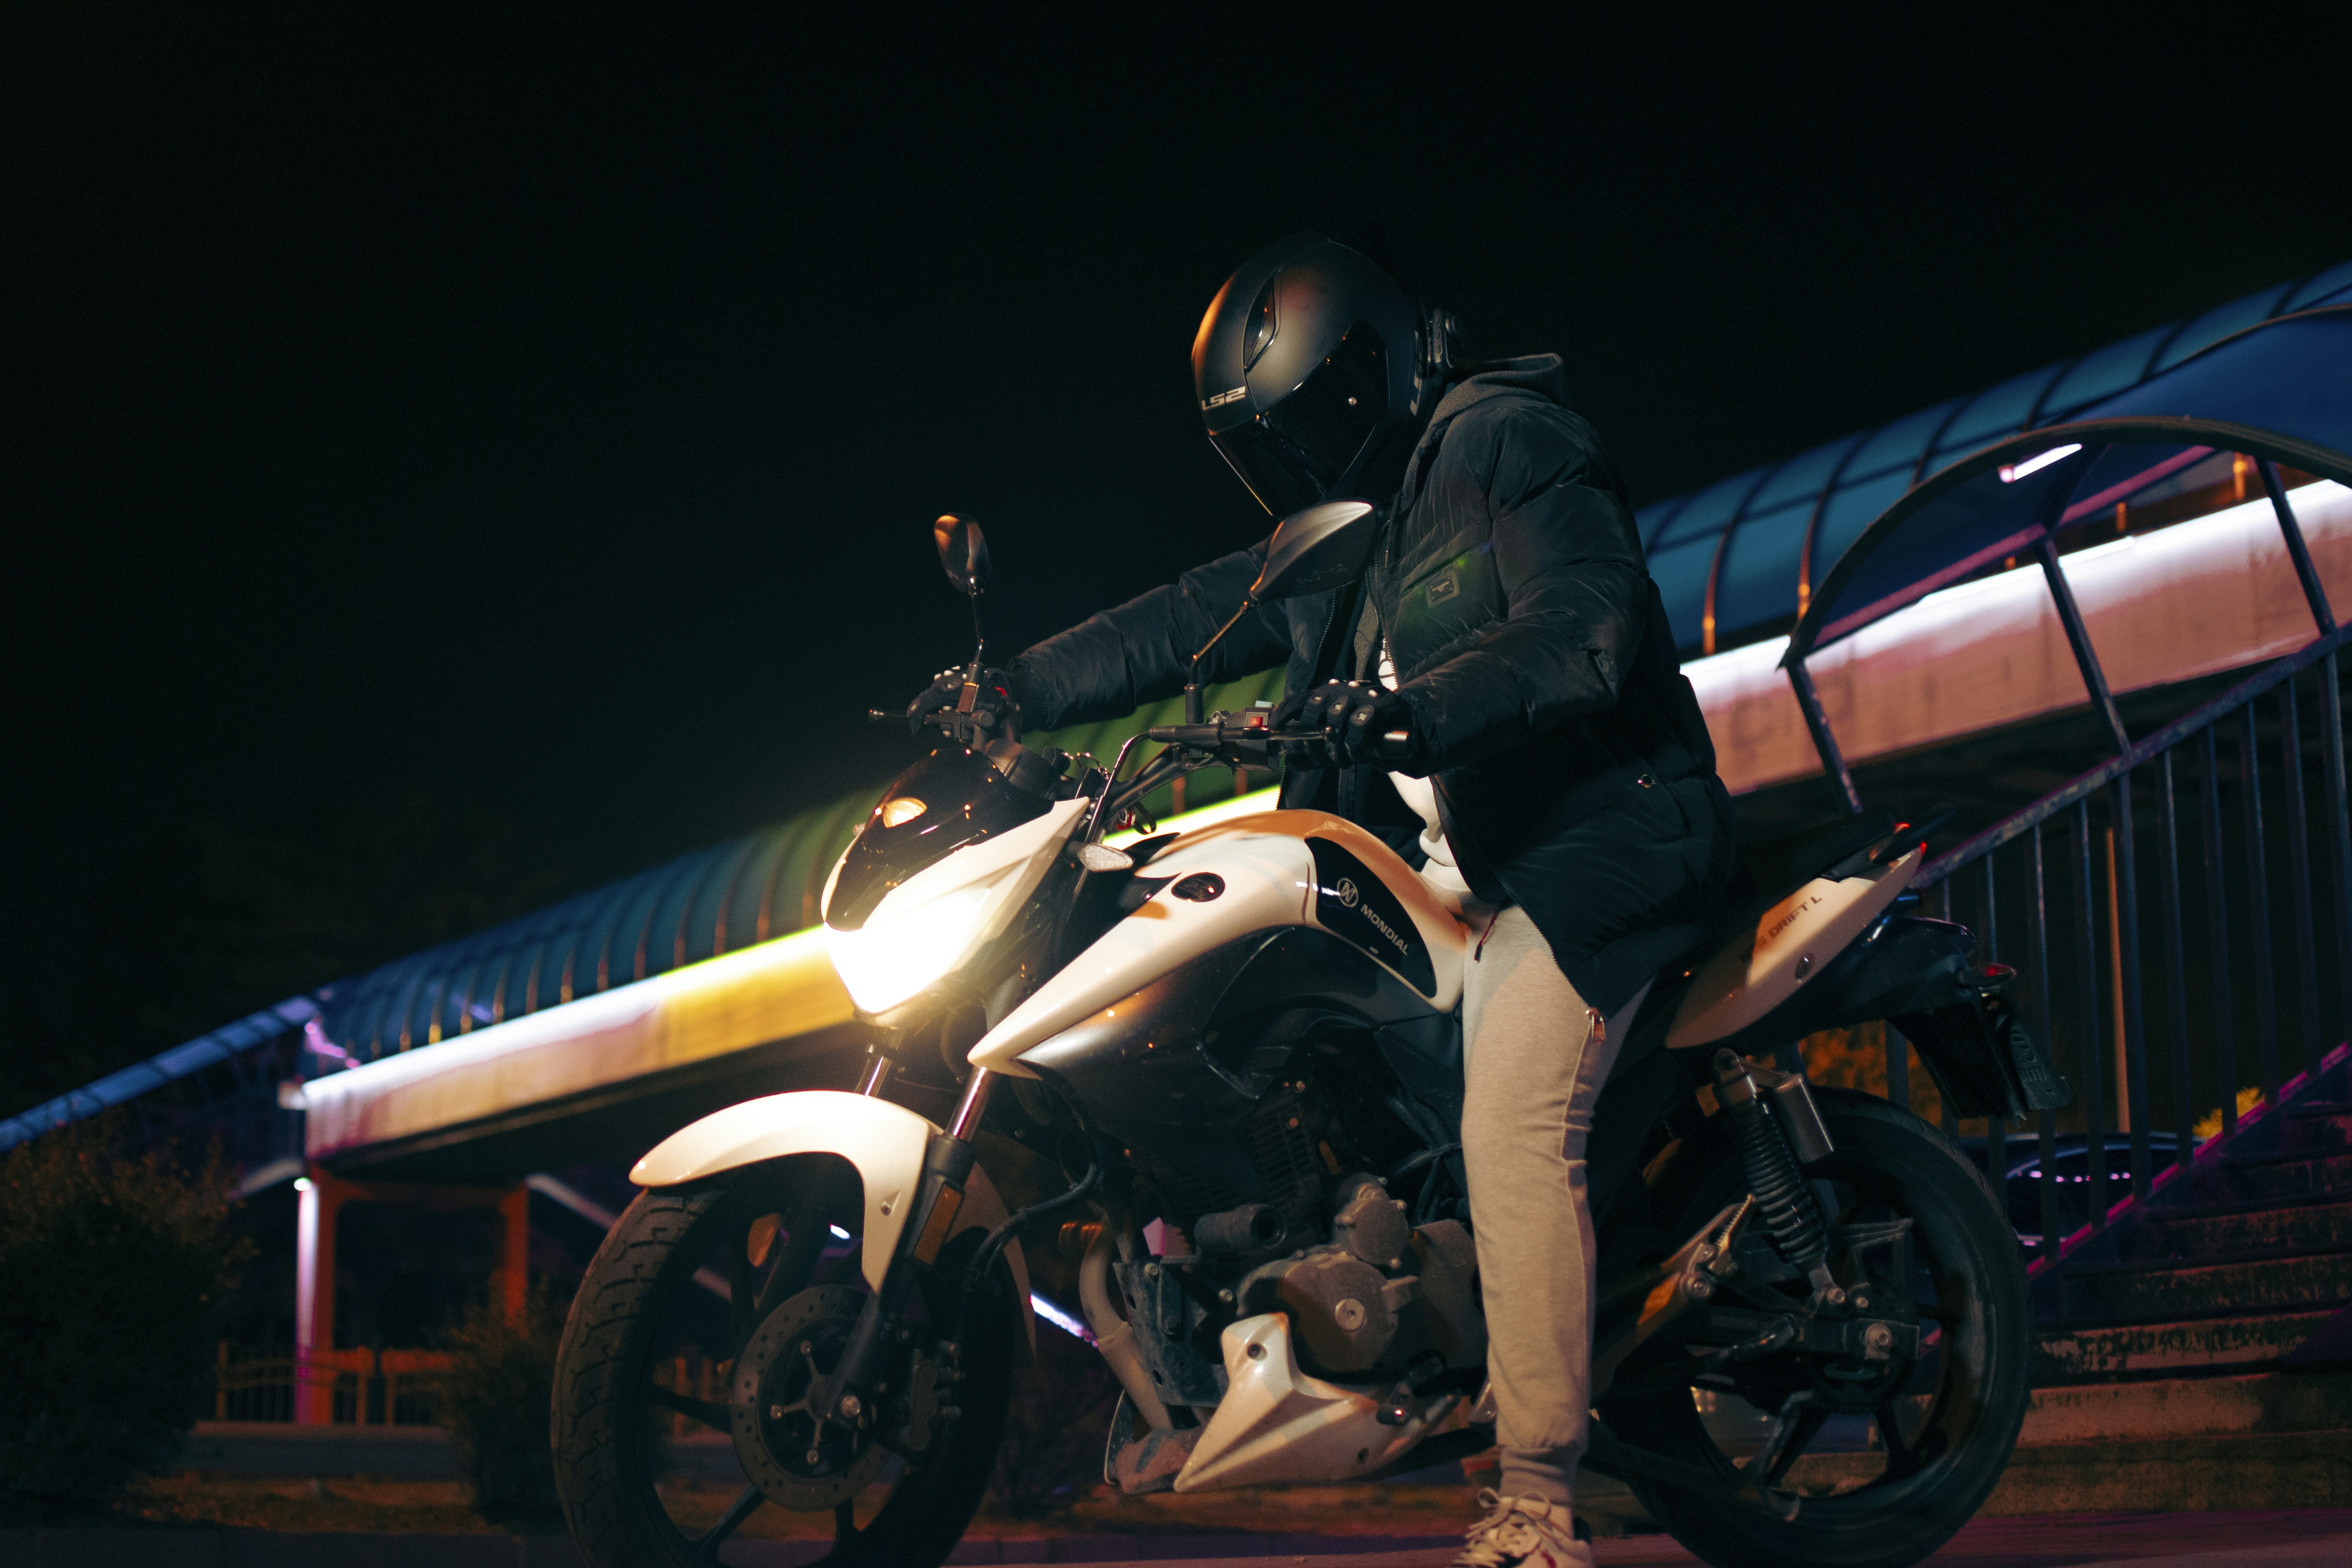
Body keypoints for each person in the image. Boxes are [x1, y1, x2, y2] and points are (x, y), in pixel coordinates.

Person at [910, 232, 1737, 1568]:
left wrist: (1420, 708)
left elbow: (1581, 624)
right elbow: (1192, 615)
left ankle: (1535, 1496)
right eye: (1274, 441)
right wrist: (1028, 690)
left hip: (1590, 849)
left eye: (1321, 419)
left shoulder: (1508, 440)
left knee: (1515, 1121)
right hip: (1450, 877)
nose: (1304, 457)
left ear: (1386, 360)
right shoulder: (1343, 538)